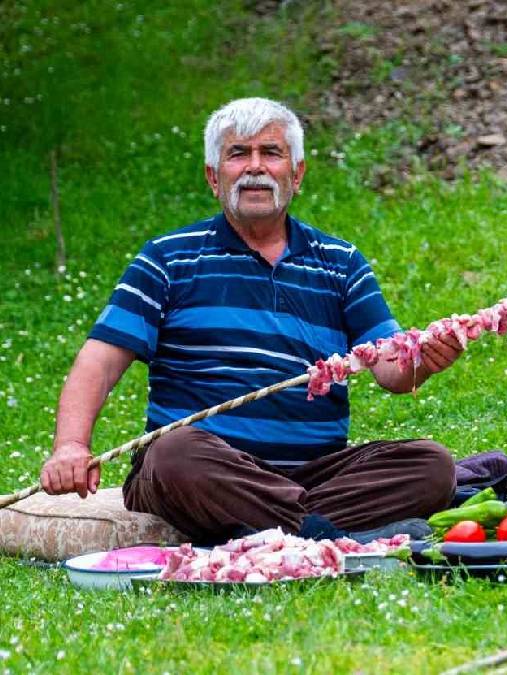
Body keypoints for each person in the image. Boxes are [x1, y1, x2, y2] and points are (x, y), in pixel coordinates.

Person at [38, 97, 465, 544]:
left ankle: (272, 527)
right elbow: (100, 362)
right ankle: (324, 533)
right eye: (238, 153)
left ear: (296, 174)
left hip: (312, 474)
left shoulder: (341, 263)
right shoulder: (167, 259)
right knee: (173, 455)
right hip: (205, 466)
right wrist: (71, 446)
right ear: (213, 177)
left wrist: (426, 360)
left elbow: (394, 370)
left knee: (432, 466)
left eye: (271, 153)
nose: (255, 167)